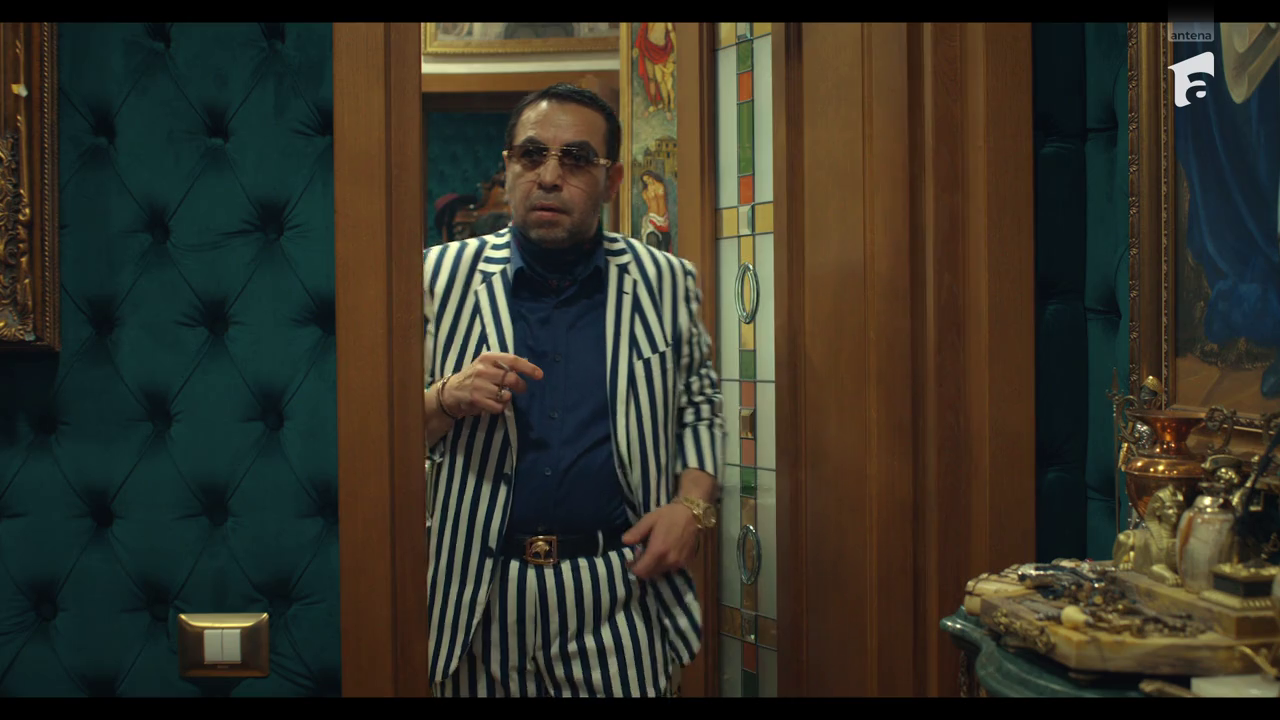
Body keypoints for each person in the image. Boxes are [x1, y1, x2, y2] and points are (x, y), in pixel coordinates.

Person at [421, 83, 724, 697]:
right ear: (508, 167)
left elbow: (699, 403)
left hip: (618, 597)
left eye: (577, 159)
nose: (550, 177)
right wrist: (445, 396)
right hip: (477, 601)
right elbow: (374, 425)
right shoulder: (435, 276)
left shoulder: (666, 282)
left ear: (612, 182)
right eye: (532, 155)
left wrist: (692, 507)